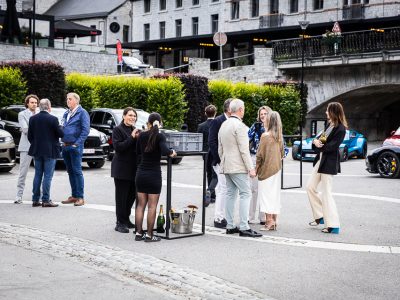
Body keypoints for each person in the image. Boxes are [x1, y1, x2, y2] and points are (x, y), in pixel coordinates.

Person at [218, 99, 261, 238]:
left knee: (231, 194)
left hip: (226, 164)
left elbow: (220, 148)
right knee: (246, 193)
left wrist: (224, 161)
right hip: (238, 166)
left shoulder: (224, 124)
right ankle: (244, 226)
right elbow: (244, 150)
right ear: (241, 110)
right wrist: (251, 168)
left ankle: (230, 226)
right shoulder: (240, 126)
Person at [135, 113, 176, 242]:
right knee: (152, 206)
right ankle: (149, 235)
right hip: (154, 174)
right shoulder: (159, 136)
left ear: (148, 123)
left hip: (141, 173)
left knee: (140, 205)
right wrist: (171, 152)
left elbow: (137, 152)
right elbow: (165, 150)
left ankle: (138, 233)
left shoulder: (141, 135)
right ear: (160, 122)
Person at [306, 102, 347, 234]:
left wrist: (320, 144)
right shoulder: (329, 125)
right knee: (310, 187)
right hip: (321, 160)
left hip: (329, 162)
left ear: (333, 112)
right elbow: (321, 141)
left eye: (327, 110)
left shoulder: (341, 129)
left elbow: (332, 147)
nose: (325, 112)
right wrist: (315, 142)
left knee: (326, 193)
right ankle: (321, 216)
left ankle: (333, 225)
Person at [28, 99, 64, 207]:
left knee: (38, 174)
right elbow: (61, 134)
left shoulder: (32, 118)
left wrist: (36, 144)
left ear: (39, 106)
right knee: (48, 176)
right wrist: (61, 127)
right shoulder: (53, 119)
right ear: (49, 106)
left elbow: (30, 136)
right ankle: (46, 200)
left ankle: (35, 199)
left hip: (37, 150)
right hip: (50, 151)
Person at [111, 107, 140, 233]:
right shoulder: (118, 129)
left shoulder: (134, 129)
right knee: (121, 197)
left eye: (134, 116)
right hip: (121, 169)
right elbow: (119, 147)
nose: (132, 118)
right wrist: (132, 138)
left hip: (134, 169)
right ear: (124, 116)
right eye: (130, 115)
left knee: (131, 196)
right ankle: (120, 222)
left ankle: (126, 219)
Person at [256, 111, 285, 231]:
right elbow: (283, 154)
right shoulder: (279, 137)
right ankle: (274, 220)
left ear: (270, 121)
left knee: (266, 196)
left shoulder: (265, 136)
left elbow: (259, 155)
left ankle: (269, 221)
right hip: (277, 169)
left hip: (267, 170)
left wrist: (255, 170)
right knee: (274, 196)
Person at [60, 92, 90, 207]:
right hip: (65, 145)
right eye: (67, 99)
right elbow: (62, 126)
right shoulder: (66, 113)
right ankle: (74, 195)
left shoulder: (82, 113)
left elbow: (85, 130)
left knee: (77, 171)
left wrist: (76, 144)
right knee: (70, 171)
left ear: (76, 101)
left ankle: (80, 197)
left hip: (75, 146)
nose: (68, 101)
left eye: (70, 99)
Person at [208, 99, 231, 228]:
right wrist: (220, 159)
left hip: (229, 161)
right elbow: (211, 142)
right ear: (228, 109)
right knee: (223, 188)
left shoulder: (233, 121)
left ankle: (222, 216)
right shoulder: (218, 121)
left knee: (223, 188)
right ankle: (219, 217)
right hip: (220, 161)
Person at [248, 105, 272, 224]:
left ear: (269, 114)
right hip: (255, 159)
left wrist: (280, 157)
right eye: (261, 114)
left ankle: (263, 218)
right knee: (253, 189)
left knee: (264, 190)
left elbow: (282, 145)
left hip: (268, 161)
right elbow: (246, 139)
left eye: (265, 113)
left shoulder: (274, 127)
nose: (262, 116)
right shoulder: (255, 126)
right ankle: (250, 217)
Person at [14, 94, 39, 204]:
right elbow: (25, 129)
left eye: (35, 102)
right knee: (23, 172)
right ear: (27, 103)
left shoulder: (40, 113)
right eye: (32, 102)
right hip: (26, 147)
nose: (34, 104)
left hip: (39, 147)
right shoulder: (22, 114)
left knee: (39, 172)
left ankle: (39, 196)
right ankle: (19, 196)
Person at [197, 104, 217, 206]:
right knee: (215, 175)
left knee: (209, 173)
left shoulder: (201, 126)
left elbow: (199, 141)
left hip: (205, 153)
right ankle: (210, 192)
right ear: (215, 113)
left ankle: (211, 195)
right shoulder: (217, 124)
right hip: (214, 151)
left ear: (205, 113)